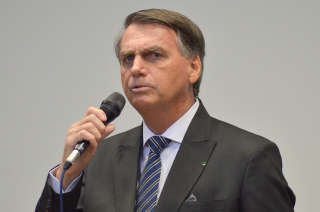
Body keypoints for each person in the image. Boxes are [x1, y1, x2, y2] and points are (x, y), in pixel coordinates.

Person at [36, 9, 295, 212]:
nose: (136, 68)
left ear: (194, 68)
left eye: (154, 55)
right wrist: (66, 178)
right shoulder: (97, 158)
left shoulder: (248, 157)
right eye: (128, 58)